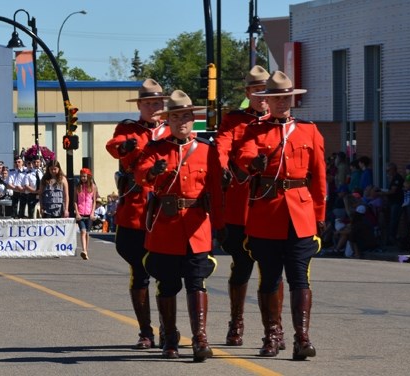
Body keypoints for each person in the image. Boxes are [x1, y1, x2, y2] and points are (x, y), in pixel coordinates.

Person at [235, 71, 326, 360]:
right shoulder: (256, 130)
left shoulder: (308, 130)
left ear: (292, 99)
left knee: (300, 278)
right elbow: (243, 155)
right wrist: (254, 162)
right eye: (275, 98)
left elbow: (320, 177)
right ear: (266, 101)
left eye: (286, 97)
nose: (281, 102)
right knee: (270, 279)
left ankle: (302, 337)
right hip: (267, 211)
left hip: (300, 213)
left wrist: (319, 214)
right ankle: (272, 336)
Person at [134, 90, 224, 362]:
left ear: (193, 119)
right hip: (167, 226)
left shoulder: (207, 150)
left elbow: (217, 192)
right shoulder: (156, 149)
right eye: (176, 117)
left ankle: (200, 339)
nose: (182, 121)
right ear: (168, 120)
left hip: (197, 226)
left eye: (186, 116)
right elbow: (140, 176)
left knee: (197, 282)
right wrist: (154, 171)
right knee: (168, 285)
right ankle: (170, 338)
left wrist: (220, 225)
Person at [215, 65, 287, 349]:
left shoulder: (280, 122)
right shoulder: (234, 120)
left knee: (273, 270)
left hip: (272, 207)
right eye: (255, 91)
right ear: (247, 93)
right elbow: (221, 147)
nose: (261, 96)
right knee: (242, 266)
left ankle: (276, 327)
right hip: (241, 204)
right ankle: (236, 322)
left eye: (265, 91)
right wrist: (221, 166)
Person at [105, 78, 171, 350]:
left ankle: (169, 330)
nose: (154, 107)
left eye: (158, 102)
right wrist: (126, 147)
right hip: (136, 210)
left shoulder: (171, 130)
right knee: (140, 273)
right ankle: (146, 332)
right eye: (149, 103)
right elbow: (113, 146)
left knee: (168, 275)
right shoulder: (129, 129)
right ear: (140, 106)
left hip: (165, 213)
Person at [74, 168, 97, 260]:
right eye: (81, 176)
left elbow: (94, 201)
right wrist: (77, 213)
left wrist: (92, 213)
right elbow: (75, 201)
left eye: (84, 176)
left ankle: (85, 251)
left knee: (87, 233)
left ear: (88, 176)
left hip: (89, 213)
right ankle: (83, 250)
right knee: (83, 231)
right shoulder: (77, 186)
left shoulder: (93, 186)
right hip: (80, 213)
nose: (83, 178)